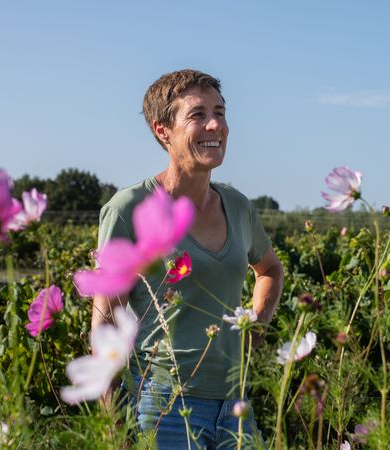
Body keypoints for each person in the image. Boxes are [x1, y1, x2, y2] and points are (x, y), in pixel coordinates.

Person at [91, 69, 284, 449]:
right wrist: (113, 422)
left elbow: (270, 269)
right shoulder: (129, 208)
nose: (216, 124)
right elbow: (105, 320)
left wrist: (255, 329)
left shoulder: (237, 205)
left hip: (234, 405)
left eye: (220, 111)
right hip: (162, 407)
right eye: (197, 115)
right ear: (162, 129)